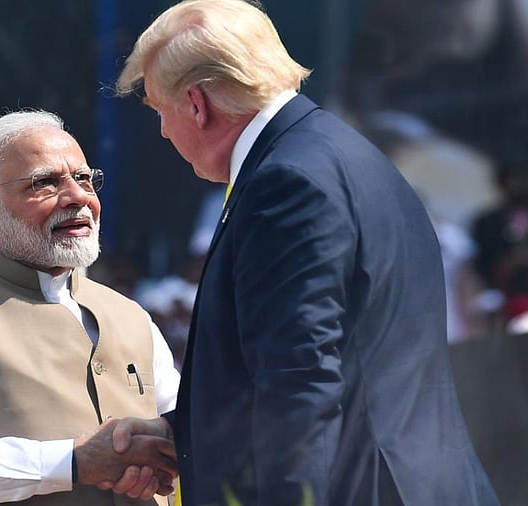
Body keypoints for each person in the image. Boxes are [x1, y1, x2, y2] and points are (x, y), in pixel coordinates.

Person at [111, 1, 500, 505]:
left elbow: (300, 383)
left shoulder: (286, 182)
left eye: (159, 112)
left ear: (195, 105)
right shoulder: (338, 153)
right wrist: (180, 437)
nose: (162, 132)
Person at [0, 110, 181, 505]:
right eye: (45, 183)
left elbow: (185, 431)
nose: (77, 197)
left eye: (84, 179)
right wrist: (71, 462)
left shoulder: (130, 316)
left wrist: (159, 454)